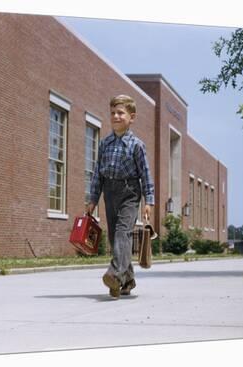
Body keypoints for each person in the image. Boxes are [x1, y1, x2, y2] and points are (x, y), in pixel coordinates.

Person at [86, 95, 155, 298]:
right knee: (115, 236)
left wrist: (148, 201)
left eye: (120, 113)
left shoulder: (137, 145)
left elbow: (146, 174)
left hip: (130, 193)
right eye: (113, 113)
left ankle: (114, 274)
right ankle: (128, 279)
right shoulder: (105, 143)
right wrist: (93, 199)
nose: (116, 116)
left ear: (131, 117)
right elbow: (98, 173)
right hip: (109, 192)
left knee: (122, 233)